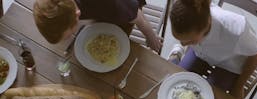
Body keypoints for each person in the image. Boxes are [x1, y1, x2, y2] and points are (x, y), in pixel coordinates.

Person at [168, 0, 257, 99]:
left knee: (210, 97)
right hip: (200, 54)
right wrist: (191, 42)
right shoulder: (188, 10)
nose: (183, 44)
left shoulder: (236, 32)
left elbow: (256, 54)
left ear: (205, 26)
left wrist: (239, 86)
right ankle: (177, 53)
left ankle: (175, 56)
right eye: (180, 40)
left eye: (189, 40)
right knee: (177, 80)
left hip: (229, 64)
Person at [33, 0, 162, 52]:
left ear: (77, 14)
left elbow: (137, 15)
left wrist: (151, 38)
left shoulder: (103, 3)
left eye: (68, 36)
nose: (70, 37)